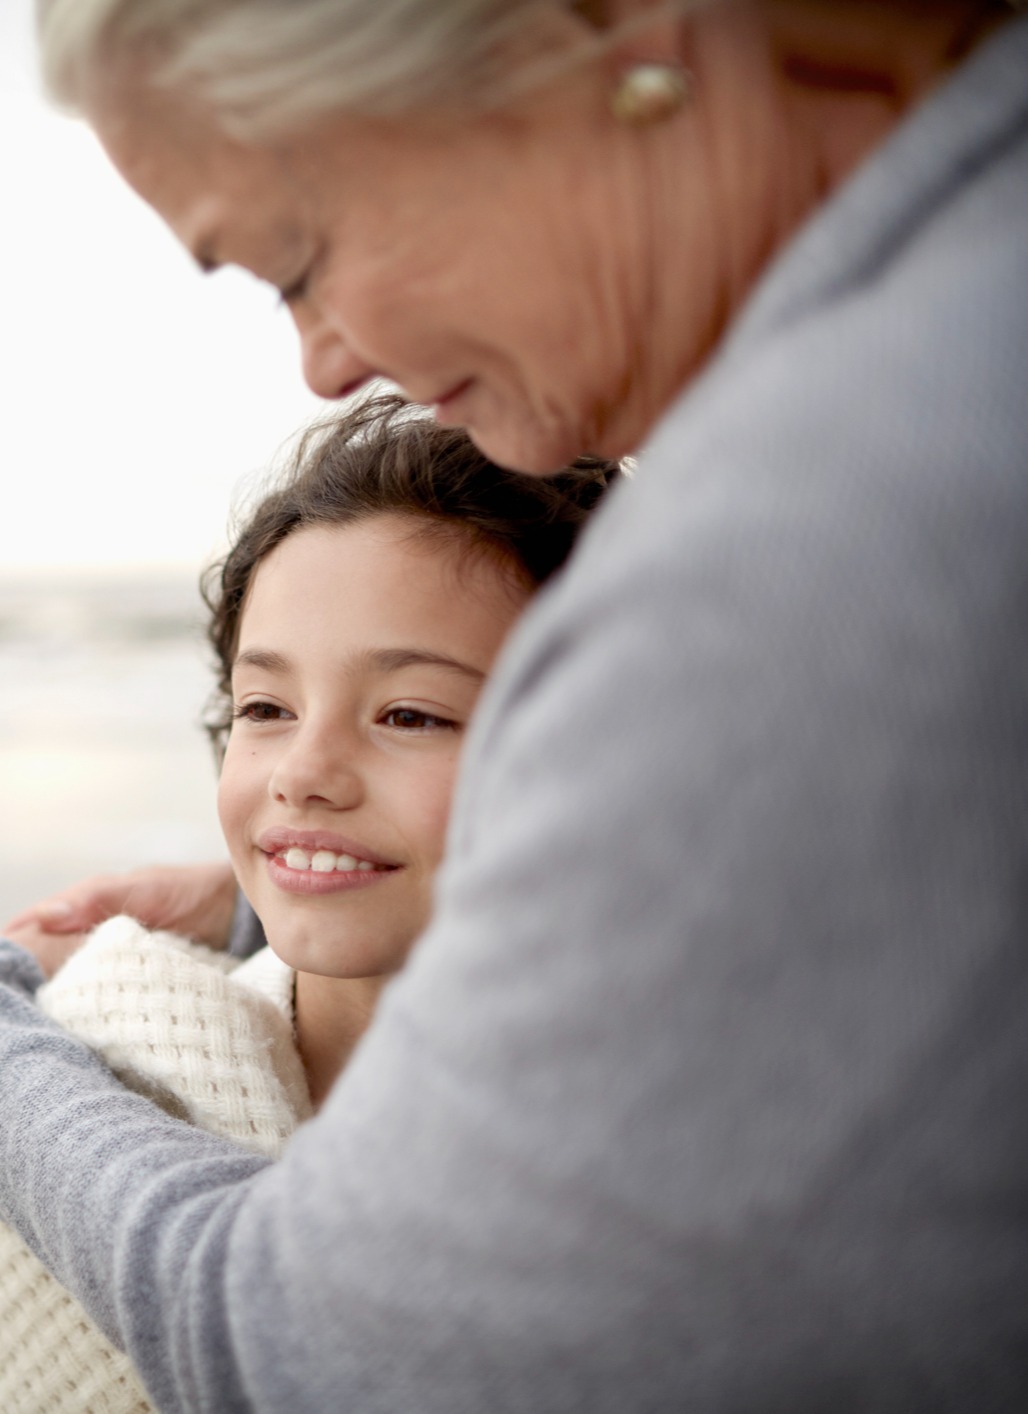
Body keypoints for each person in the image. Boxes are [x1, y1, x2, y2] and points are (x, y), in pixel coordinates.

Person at [2, 1, 1027, 1409]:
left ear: (595, 27)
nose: (323, 359)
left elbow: (328, 1351)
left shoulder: (830, 531)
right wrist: (271, 904)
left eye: (299, 257)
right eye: (261, 707)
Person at [0, 394, 617, 1413]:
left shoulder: (660, 1145)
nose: (301, 774)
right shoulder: (114, 1038)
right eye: (265, 708)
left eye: (410, 714)